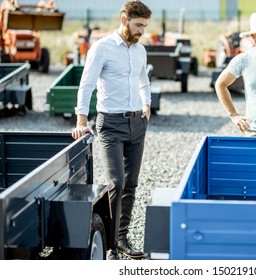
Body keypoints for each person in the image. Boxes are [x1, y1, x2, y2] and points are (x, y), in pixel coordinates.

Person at [71, 0, 152, 260]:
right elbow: (87, 85)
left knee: (131, 184)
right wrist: (81, 121)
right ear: (124, 20)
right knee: (116, 182)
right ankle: (110, 248)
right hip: (111, 125)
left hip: (137, 124)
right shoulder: (102, 48)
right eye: (138, 25)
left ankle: (122, 238)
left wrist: (147, 104)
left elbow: (143, 80)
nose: (142, 31)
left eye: (144, 26)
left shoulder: (140, 51)